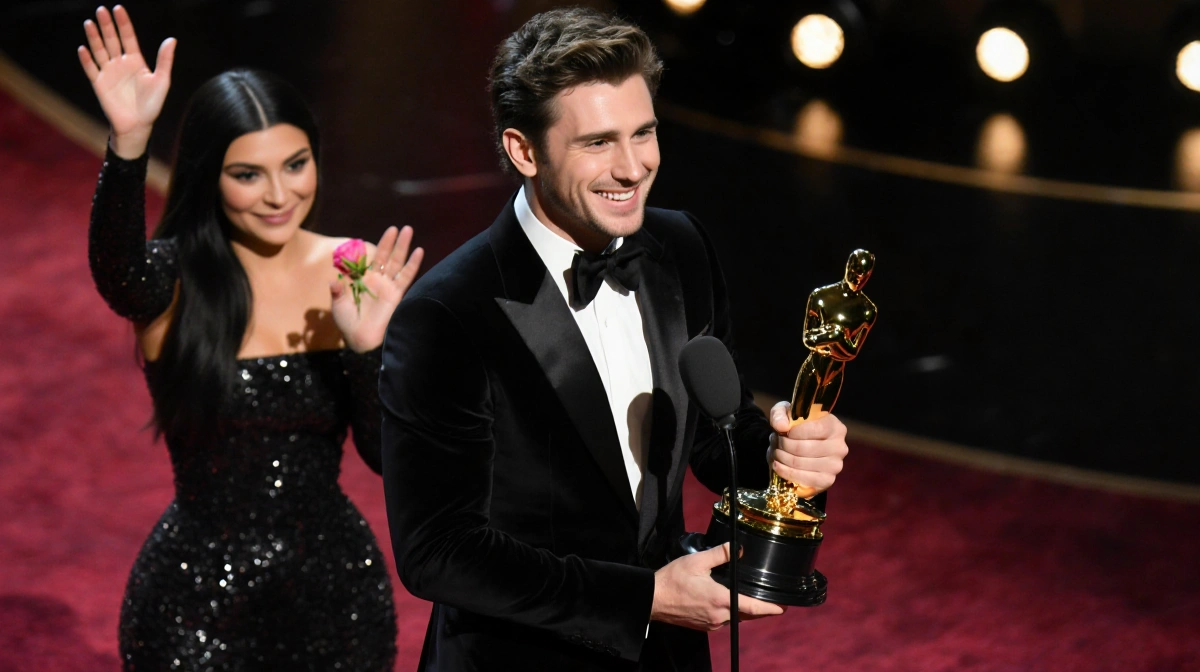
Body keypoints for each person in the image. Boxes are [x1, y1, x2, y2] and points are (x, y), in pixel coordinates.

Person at [379, 8, 848, 671]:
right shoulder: (447, 314)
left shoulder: (680, 246)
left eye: (644, 133)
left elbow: (718, 437)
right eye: (598, 142)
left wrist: (785, 451)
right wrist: (643, 598)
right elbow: (439, 552)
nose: (633, 168)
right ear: (523, 150)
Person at [79, 6, 422, 669]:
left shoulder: (351, 265)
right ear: (211, 178)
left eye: (295, 165)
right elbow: (116, 271)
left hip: (335, 594)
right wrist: (128, 144)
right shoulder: (169, 277)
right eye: (248, 175)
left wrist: (365, 351)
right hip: (193, 602)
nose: (278, 195)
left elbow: (386, 458)